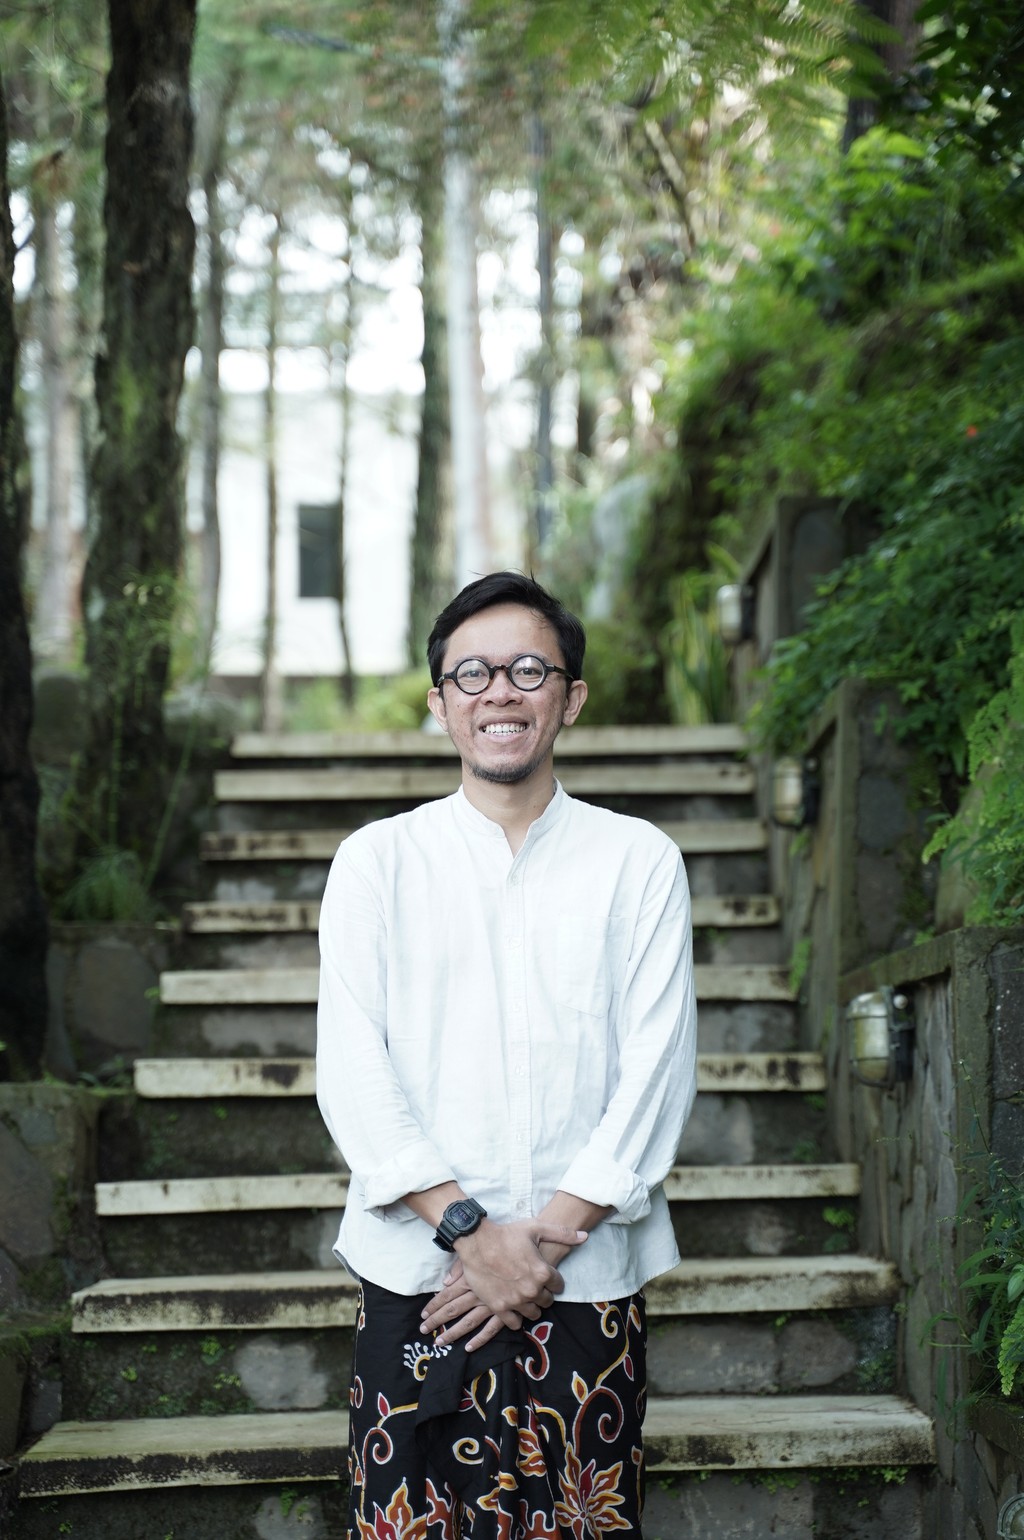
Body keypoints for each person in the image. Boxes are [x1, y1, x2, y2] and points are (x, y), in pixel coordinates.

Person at [317, 572, 697, 1539]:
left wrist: (544, 1240)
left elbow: (657, 1070)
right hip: (420, 1284)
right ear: (439, 702)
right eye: (473, 672)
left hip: (585, 1277)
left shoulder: (638, 859)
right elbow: (354, 1069)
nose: (501, 691)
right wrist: (474, 1235)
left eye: (530, 669)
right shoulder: (378, 862)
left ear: (569, 696)